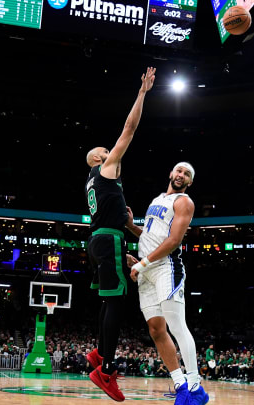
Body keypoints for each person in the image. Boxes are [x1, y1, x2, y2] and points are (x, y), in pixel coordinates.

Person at [84, 66, 156, 402]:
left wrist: (127, 225)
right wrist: (142, 93)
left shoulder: (95, 183)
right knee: (117, 303)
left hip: (102, 237)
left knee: (108, 300)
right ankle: (106, 369)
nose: (114, 153)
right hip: (108, 237)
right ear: (100, 158)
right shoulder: (104, 168)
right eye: (107, 150)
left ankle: (99, 354)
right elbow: (129, 130)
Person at [125, 162, 207, 405]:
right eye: (178, 171)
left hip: (166, 267)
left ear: (189, 182)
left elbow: (172, 241)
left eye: (187, 174)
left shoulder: (184, 202)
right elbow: (152, 236)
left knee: (176, 324)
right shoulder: (156, 199)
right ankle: (180, 385)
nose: (181, 175)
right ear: (171, 173)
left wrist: (141, 263)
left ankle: (195, 388)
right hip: (148, 270)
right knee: (156, 330)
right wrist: (131, 226)